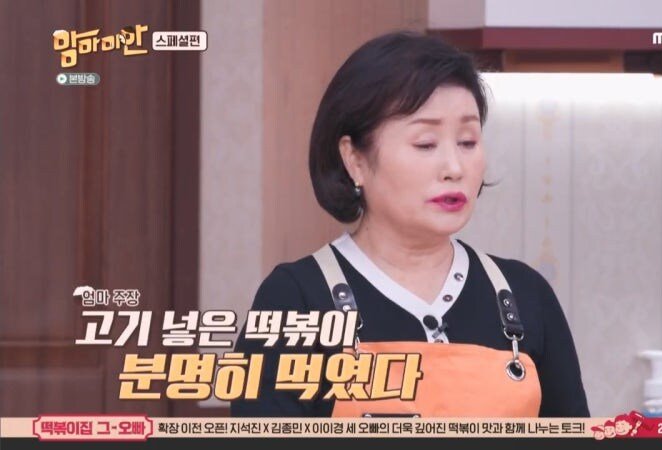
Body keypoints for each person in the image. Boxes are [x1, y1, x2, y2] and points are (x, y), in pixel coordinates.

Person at [231, 31, 589, 418]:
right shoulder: (295, 299)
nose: (454, 167)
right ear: (354, 160)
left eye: (468, 141)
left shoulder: (525, 295)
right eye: (425, 144)